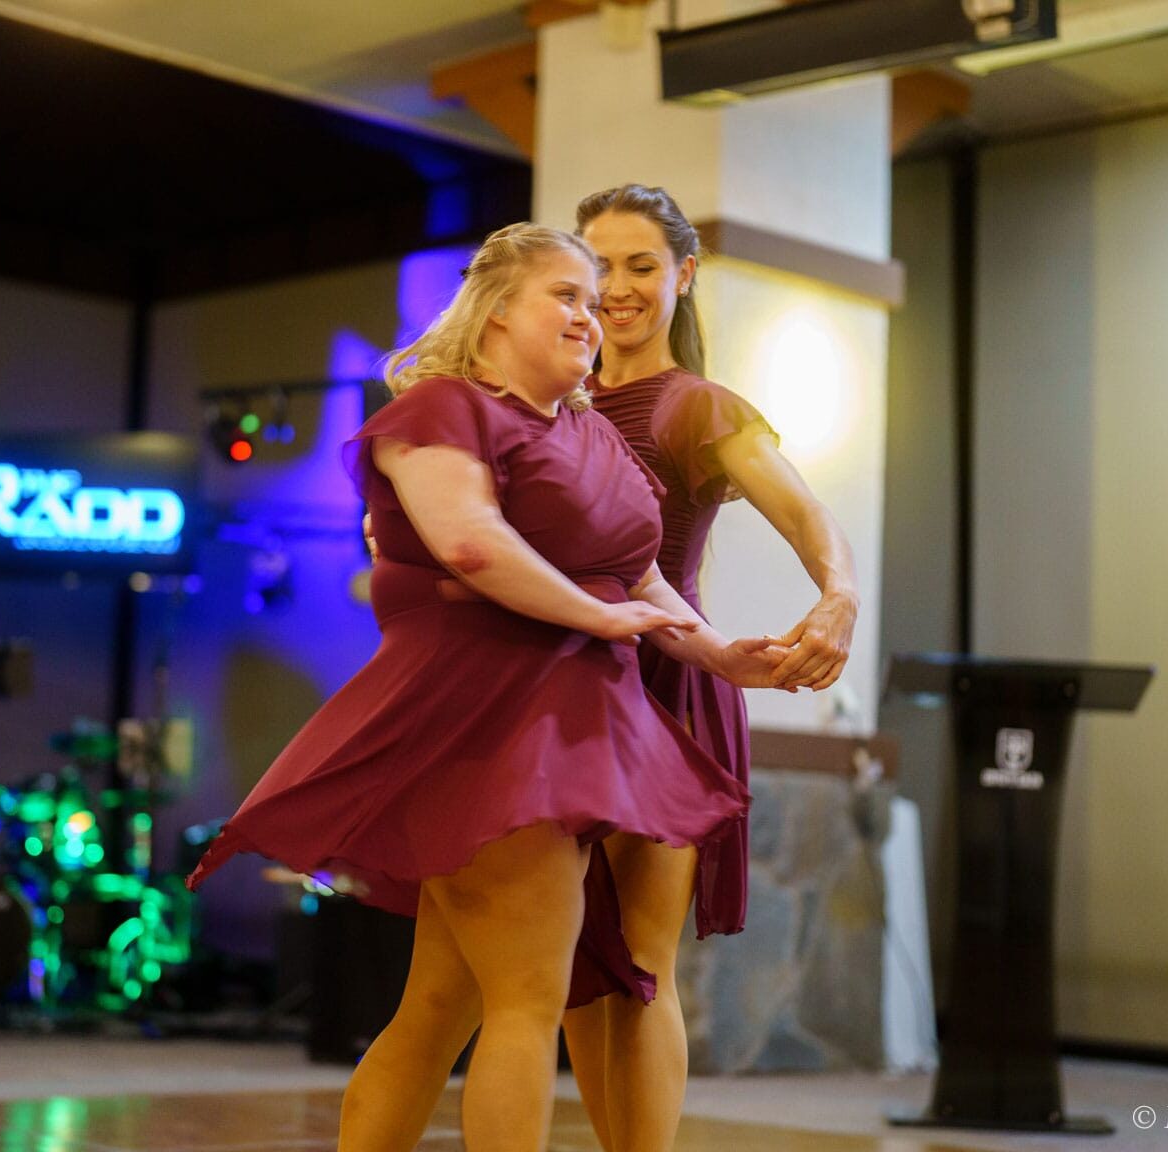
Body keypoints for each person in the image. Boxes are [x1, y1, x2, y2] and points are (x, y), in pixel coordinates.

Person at [185, 222, 784, 1152]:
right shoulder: (444, 410)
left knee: (440, 1005)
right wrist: (598, 619)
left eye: (596, 302)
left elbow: (639, 573)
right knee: (526, 1000)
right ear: (499, 307)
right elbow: (470, 542)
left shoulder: (589, 433)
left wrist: (717, 654)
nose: (591, 316)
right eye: (567, 295)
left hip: (588, 725)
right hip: (489, 722)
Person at [564, 184, 859, 1152]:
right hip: (558, 698)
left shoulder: (698, 406)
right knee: (573, 969)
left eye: (641, 265)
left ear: (683, 277)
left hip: (665, 698)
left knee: (640, 966)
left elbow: (810, 516)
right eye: (598, 264)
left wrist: (839, 593)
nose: (616, 288)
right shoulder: (552, 399)